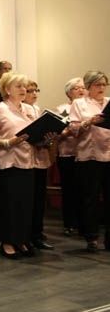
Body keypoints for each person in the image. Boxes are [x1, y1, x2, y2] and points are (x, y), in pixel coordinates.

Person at [0, 72, 36, 259]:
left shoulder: (30, 109)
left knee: (24, 205)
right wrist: (8, 142)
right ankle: (7, 242)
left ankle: (21, 239)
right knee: (9, 205)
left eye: (24, 86)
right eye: (18, 86)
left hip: (28, 162)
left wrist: (45, 138)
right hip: (7, 163)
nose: (23, 89)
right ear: (7, 89)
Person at [68, 70, 110, 253]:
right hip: (89, 156)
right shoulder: (79, 103)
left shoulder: (108, 101)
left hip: (109, 154)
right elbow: (73, 129)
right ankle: (91, 237)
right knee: (90, 198)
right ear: (88, 86)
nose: (101, 88)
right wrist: (89, 122)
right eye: (97, 84)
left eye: (104, 84)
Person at [23, 80, 54, 250]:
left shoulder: (37, 109)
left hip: (40, 158)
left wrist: (48, 139)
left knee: (39, 200)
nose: (34, 94)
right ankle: (27, 235)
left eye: (36, 90)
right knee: (29, 200)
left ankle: (37, 234)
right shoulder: (21, 110)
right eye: (30, 91)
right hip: (26, 160)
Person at [56, 77, 85, 236]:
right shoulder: (62, 109)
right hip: (67, 153)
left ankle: (84, 224)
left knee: (84, 190)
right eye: (76, 88)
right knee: (69, 190)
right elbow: (57, 134)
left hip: (86, 154)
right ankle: (69, 223)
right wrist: (69, 131)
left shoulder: (87, 108)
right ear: (68, 93)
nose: (81, 90)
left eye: (83, 87)